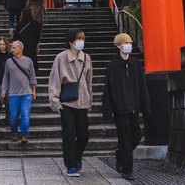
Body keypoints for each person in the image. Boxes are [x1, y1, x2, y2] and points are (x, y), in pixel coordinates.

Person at [102, 33, 151, 181]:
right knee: (125, 138)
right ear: (118, 46)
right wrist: (108, 109)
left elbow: (142, 86)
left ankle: (120, 154)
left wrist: (145, 105)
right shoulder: (112, 66)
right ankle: (127, 170)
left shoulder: (136, 63)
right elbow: (108, 88)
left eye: (130, 42)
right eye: (125, 42)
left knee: (136, 136)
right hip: (120, 108)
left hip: (134, 107)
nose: (128, 44)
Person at [49, 28, 93, 177]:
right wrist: (55, 101)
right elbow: (55, 79)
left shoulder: (86, 58)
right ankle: (71, 165)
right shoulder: (61, 58)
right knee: (69, 134)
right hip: (67, 102)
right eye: (77, 40)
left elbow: (89, 81)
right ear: (70, 42)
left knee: (83, 134)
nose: (81, 42)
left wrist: (89, 99)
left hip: (82, 102)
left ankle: (76, 156)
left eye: (82, 39)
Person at [2, 39, 38, 146]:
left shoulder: (28, 61)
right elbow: (5, 77)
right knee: (13, 117)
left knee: (25, 115)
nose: (12, 49)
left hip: (26, 93)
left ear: (20, 48)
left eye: (14, 47)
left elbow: (32, 77)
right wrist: (4, 89)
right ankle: (14, 132)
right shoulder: (9, 61)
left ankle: (24, 134)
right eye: (12, 47)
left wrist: (34, 91)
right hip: (13, 94)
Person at [13, 7, 42, 75]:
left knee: (22, 59)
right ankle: (32, 71)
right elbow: (38, 36)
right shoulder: (36, 23)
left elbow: (15, 36)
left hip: (22, 45)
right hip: (32, 44)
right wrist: (37, 46)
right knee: (32, 58)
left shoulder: (20, 24)